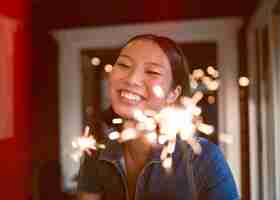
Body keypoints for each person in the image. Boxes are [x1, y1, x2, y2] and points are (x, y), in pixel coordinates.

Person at [77, 34, 239, 200]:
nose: (132, 79)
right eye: (124, 65)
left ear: (172, 94)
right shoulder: (96, 155)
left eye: (152, 71)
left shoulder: (204, 160)